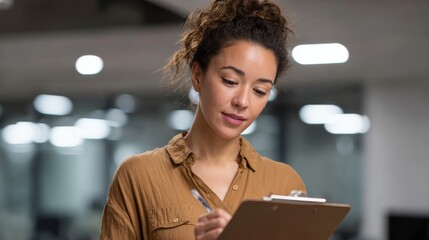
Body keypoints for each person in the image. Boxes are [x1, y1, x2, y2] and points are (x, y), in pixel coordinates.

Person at [100, 0, 306, 239]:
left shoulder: (285, 184)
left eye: (260, 91)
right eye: (230, 81)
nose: (242, 101)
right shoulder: (139, 176)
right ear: (198, 76)